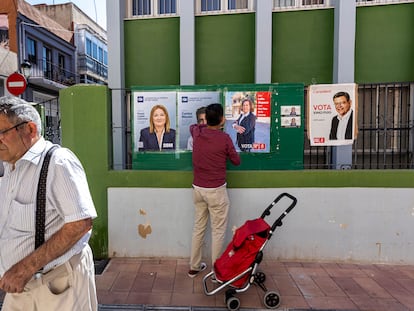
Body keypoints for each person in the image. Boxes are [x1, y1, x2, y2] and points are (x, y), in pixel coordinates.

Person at [0, 96, 98, 310]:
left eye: (2, 133)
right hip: (18, 288)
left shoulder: (58, 162)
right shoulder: (9, 168)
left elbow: (80, 224)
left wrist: (24, 269)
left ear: (30, 130)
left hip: (58, 286)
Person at [188, 103, 241, 278]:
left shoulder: (198, 133)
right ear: (222, 120)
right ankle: (217, 272)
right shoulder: (224, 138)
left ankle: (194, 266)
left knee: (198, 227)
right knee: (218, 231)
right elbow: (236, 161)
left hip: (198, 189)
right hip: (216, 191)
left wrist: (206, 125)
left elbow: (193, 126)